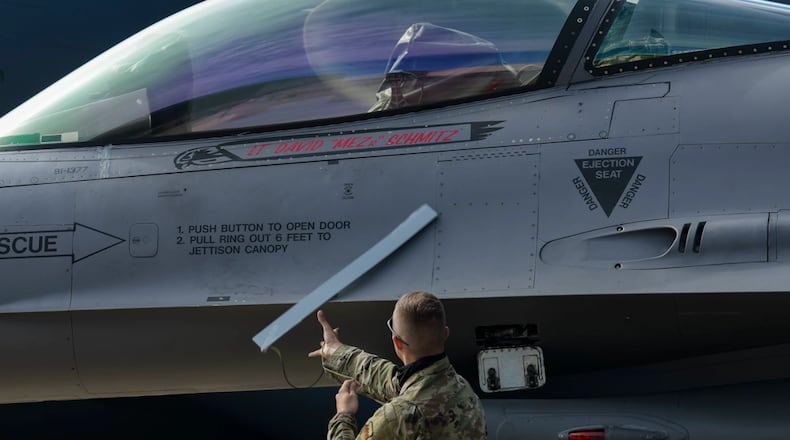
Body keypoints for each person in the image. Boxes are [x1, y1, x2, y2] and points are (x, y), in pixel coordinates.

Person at [308, 290, 487, 439]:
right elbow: (394, 381)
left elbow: (404, 396)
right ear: (445, 333)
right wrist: (336, 352)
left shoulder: (397, 417)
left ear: (397, 342)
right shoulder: (462, 389)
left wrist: (344, 415)